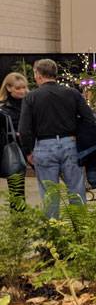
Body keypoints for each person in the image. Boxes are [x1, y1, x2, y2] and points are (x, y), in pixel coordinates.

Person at [18, 59, 96, 217]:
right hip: (70, 144)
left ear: (38, 75)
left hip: (43, 146)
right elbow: (89, 118)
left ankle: (53, 235)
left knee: (49, 194)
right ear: (55, 73)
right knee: (76, 190)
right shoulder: (72, 93)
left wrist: (28, 152)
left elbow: (24, 129)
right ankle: (81, 230)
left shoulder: (31, 97)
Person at [0, 72, 29, 209]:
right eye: (18, 88)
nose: (22, 91)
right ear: (9, 88)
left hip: (31, 148)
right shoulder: (3, 109)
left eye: (24, 87)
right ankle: (19, 224)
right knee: (17, 191)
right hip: (15, 150)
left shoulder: (30, 103)